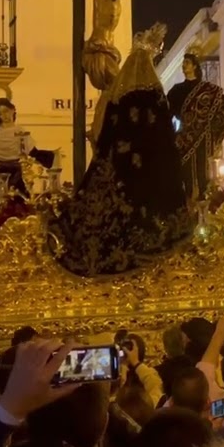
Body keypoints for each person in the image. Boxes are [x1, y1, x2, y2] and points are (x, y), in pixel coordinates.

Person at [48, 26, 195, 276]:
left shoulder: (117, 96)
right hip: (147, 169)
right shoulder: (153, 95)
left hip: (119, 166)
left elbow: (107, 135)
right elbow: (163, 135)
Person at [166, 52, 224, 203]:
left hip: (204, 139)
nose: (184, 65)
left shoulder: (209, 90)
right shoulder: (175, 91)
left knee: (203, 172)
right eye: (183, 63)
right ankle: (189, 207)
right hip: (185, 138)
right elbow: (167, 113)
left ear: (194, 66)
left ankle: (205, 205)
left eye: (187, 62)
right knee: (185, 174)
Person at [0, 98, 56, 209]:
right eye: (0, 114)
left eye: (6, 111)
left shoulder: (20, 131)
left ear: (12, 110)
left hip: (17, 176)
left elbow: (32, 152)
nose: (4, 116)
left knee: (21, 205)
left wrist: (53, 156)